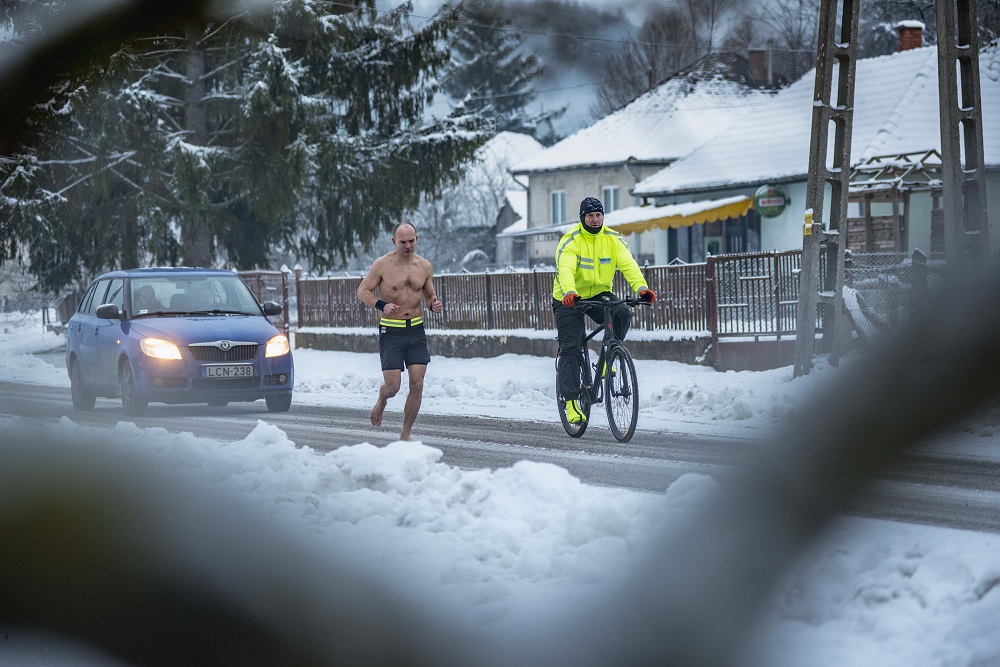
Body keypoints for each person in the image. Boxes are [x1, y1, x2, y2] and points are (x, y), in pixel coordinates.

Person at [553, 196, 657, 424]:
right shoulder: (571, 241)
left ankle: (609, 356)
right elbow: (566, 269)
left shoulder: (612, 239)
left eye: (598, 215)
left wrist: (642, 288)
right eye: (590, 215)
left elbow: (628, 264)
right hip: (568, 297)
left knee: (622, 313)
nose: (595, 219)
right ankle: (571, 402)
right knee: (571, 346)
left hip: (599, 293)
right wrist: (570, 292)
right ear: (582, 218)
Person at [356, 222, 443, 441]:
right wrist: (381, 305)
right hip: (391, 332)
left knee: (417, 383)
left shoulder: (424, 266)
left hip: (415, 330)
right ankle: (382, 398)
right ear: (394, 241)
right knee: (393, 387)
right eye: (402, 242)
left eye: (411, 241)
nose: (407, 246)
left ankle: (405, 433)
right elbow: (362, 291)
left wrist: (434, 304)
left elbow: (429, 295)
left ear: (417, 239)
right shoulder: (382, 265)